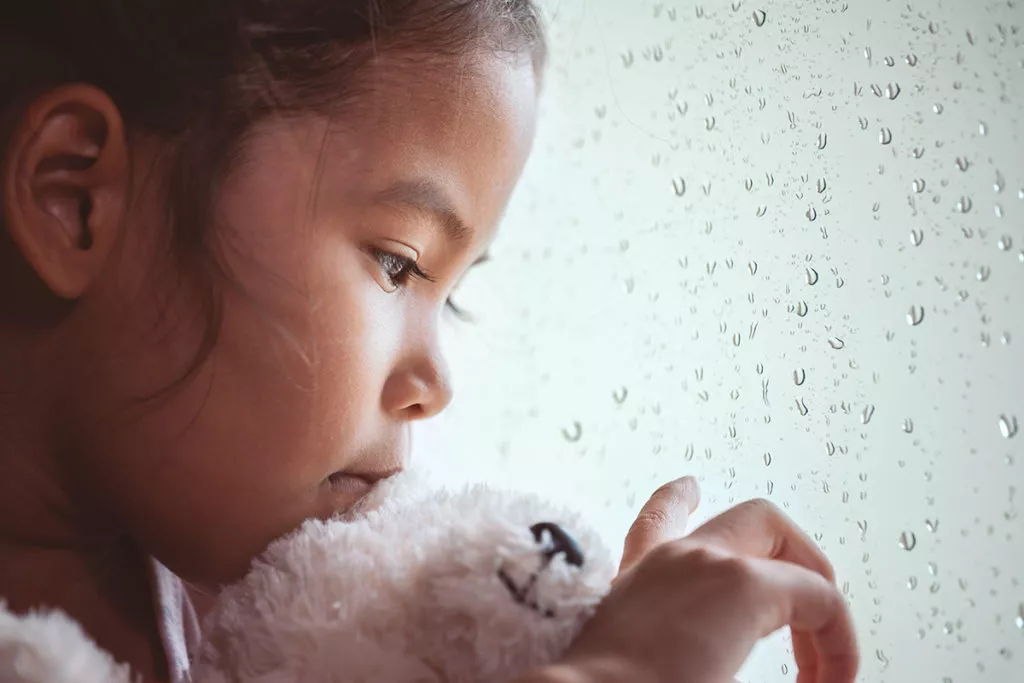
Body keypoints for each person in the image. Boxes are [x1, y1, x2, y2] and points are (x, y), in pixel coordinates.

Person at [0, 2, 858, 682]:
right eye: (398, 263)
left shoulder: (274, 629)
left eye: (454, 297)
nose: (435, 381)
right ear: (76, 200)